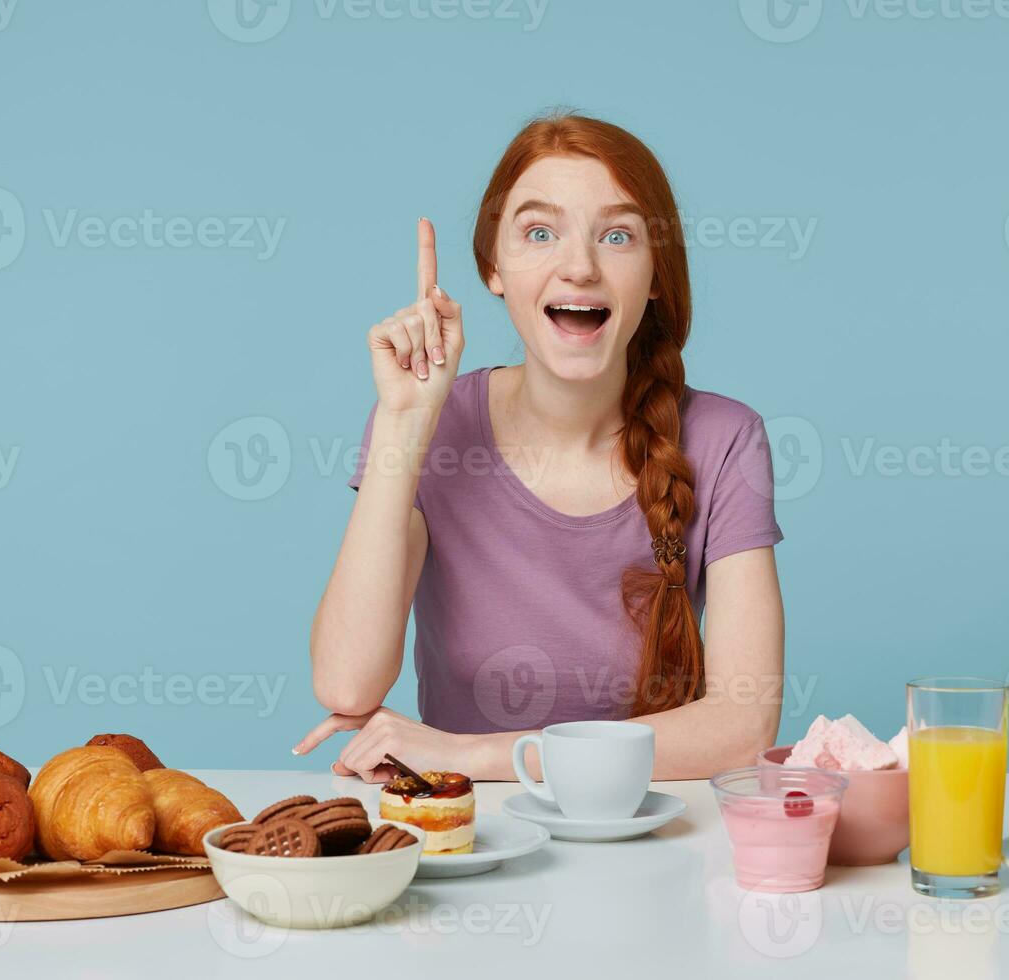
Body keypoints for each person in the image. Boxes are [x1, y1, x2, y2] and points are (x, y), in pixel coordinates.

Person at [294, 111, 786, 781]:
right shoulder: (429, 426)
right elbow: (347, 685)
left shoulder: (726, 440)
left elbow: (740, 726)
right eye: (539, 232)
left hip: (654, 838)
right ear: (493, 269)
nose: (579, 266)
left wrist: (474, 754)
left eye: (616, 235)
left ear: (655, 275)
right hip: (469, 841)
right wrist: (403, 429)